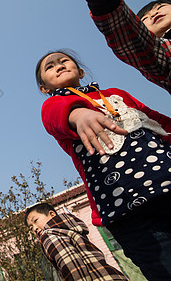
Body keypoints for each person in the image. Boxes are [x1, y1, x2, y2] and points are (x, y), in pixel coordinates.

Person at [37, 49, 171, 280]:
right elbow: (54, 117)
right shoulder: (54, 105)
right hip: (128, 208)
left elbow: (158, 121)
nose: (58, 66)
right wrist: (79, 115)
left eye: (63, 61)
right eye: (50, 67)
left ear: (80, 71)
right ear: (44, 89)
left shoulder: (116, 94)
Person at [67, 0, 171, 93]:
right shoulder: (162, 53)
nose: (153, 14)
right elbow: (126, 33)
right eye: (145, 19)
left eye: (160, 7)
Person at [24, 203, 127, 281]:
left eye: (35, 220)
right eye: (31, 227)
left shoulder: (49, 235)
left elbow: (72, 264)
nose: (34, 228)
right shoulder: (71, 229)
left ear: (51, 214)